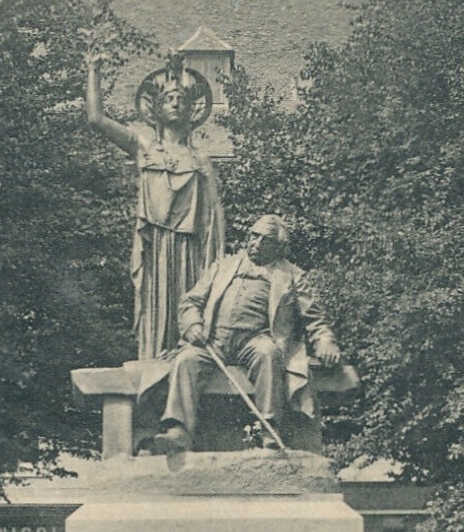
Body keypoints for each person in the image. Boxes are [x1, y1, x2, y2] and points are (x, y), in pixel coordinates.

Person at [147, 215, 342, 454]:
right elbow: (190, 301)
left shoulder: (291, 275)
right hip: (211, 340)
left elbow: (314, 318)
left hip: (254, 341)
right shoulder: (223, 266)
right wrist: (192, 324)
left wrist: (325, 341)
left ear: (279, 247)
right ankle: (178, 431)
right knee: (186, 360)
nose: (256, 243)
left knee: (269, 354)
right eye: (253, 236)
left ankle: (269, 428)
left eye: (265, 240)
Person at [86, 52, 224, 360]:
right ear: (156, 110)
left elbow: (214, 220)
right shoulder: (144, 148)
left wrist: (213, 264)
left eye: (182, 100)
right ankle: (153, 359)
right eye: (169, 99)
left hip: (191, 248)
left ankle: (188, 359)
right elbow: (96, 120)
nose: (176, 103)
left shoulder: (201, 161)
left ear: (192, 112)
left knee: (189, 308)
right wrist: (93, 71)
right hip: (156, 245)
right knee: (156, 308)